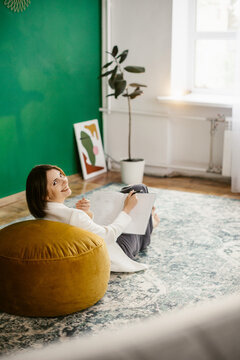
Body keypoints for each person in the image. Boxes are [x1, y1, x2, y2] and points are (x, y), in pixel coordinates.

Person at [26, 164, 159, 272]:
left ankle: (148, 221)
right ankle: (150, 224)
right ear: (45, 196)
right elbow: (109, 235)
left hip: (95, 248)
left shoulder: (42, 218)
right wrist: (127, 209)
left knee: (127, 197)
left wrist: (86, 214)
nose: (64, 180)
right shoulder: (74, 216)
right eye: (55, 182)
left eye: (61, 175)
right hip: (115, 253)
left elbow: (82, 233)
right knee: (140, 189)